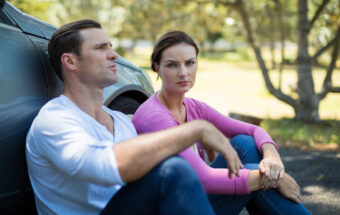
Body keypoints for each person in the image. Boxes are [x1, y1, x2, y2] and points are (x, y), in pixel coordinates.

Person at [25, 20, 244, 215]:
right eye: (101, 48)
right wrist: (195, 130)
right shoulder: (54, 120)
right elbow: (104, 166)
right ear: (70, 62)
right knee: (173, 170)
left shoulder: (120, 121)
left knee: (249, 153)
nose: (114, 55)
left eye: (110, 47)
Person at [132, 31, 311, 215]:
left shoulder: (193, 107)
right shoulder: (154, 117)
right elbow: (204, 179)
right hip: (174, 207)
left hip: (193, 195)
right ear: (157, 67)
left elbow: (252, 130)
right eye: (172, 65)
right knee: (253, 174)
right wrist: (276, 179)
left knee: (245, 143)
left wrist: (273, 158)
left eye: (190, 63)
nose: (183, 72)